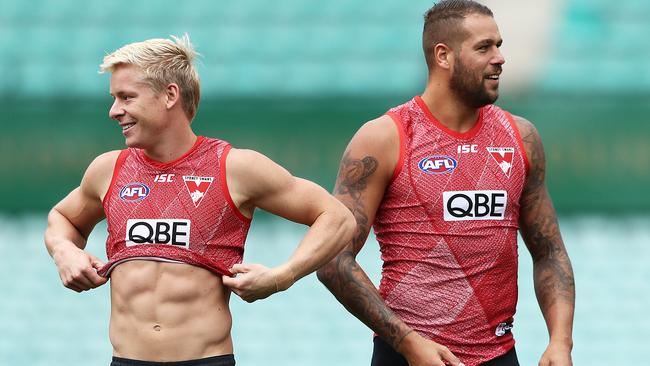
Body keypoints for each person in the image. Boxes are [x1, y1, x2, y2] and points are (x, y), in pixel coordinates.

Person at [44, 34, 355, 366]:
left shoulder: (235, 167)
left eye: (126, 97)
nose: (113, 111)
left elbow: (338, 218)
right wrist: (65, 253)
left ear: (170, 95)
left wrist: (282, 276)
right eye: (114, 98)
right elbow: (63, 220)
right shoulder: (108, 170)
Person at [317, 1, 575, 366]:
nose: (500, 58)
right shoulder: (385, 138)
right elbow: (332, 259)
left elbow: (549, 252)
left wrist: (560, 342)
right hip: (408, 356)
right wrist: (407, 342)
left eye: (499, 45)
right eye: (484, 47)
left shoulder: (521, 137)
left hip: (500, 355)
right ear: (444, 56)